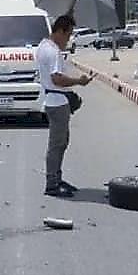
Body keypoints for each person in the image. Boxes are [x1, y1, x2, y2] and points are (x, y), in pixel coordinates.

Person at [37, 15, 93, 197]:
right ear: (61, 31)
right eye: (68, 35)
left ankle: (57, 178)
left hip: (55, 100)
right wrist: (79, 81)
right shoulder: (53, 52)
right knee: (56, 144)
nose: (68, 39)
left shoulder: (43, 46)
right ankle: (52, 184)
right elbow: (57, 79)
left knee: (61, 143)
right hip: (57, 102)